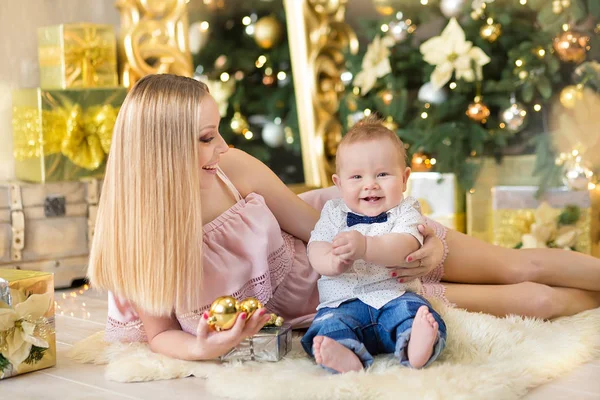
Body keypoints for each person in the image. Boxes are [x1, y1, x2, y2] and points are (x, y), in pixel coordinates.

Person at [89, 74, 600, 362]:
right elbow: (159, 335)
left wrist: (417, 244)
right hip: (340, 301)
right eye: (205, 138)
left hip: (364, 231)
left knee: (519, 266)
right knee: (533, 299)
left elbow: (319, 228)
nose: (221, 145)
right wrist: (204, 348)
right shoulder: (136, 236)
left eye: (217, 130)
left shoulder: (232, 168)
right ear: (157, 148)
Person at [301, 117, 446, 373]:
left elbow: (405, 245)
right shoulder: (333, 212)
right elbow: (316, 247)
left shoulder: (407, 209)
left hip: (394, 298)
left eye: (382, 174)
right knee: (326, 326)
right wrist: (331, 262)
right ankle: (344, 355)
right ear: (338, 183)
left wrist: (366, 247)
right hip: (341, 303)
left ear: (404, 178)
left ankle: (415, 345)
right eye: (356, 176)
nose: (370, 184)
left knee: (417, 313)